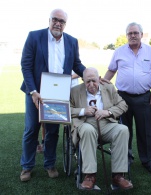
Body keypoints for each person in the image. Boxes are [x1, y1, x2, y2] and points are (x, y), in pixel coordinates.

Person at [20, 8, 86, 182]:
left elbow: (77, 64)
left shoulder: (72, 41)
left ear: (65, 24)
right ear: (49, 20)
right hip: (36, 93)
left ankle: (50, 164)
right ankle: (27, 166)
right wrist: (33, 92)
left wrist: (89, 75)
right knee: (31, 129)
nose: (58, 23)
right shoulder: (34, 37)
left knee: (53, 131)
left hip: (58, 94)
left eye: (62, 21)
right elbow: (26, 66)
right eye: (55, 19)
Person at [104, 22, 151, 174]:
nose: (133, 36)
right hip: (122, 98)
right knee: (124, 130)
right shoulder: (119, 52)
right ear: (127, 36)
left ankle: (147, 160)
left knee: (145, 131)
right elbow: (111, 71)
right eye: (130, 33)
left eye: (136, 33)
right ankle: (126, 159)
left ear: (141, 34)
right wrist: (101, 87)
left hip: (144, 98)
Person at [70, 67, 133, 190]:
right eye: (88, 82)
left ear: (99, 79)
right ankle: (90, 176)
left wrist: (107, 112)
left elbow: (123, 105)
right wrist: (83, 111)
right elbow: (66, 109)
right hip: (85, 124)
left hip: (106, 123)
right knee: (88, 130)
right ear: (83, 81)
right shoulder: (75, 91)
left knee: (123, 130)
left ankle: (118, 176)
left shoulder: (109, 88)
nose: (91, 84)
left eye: (94, 80)